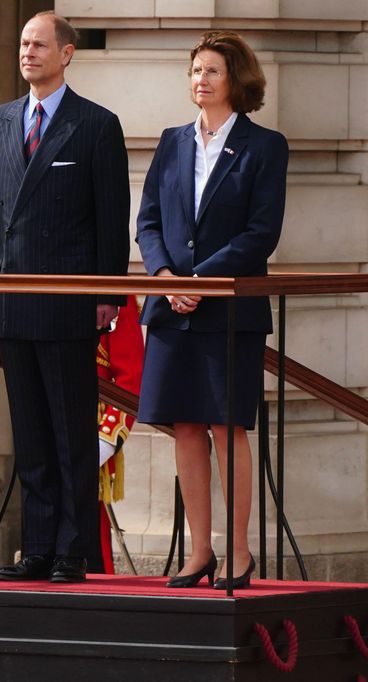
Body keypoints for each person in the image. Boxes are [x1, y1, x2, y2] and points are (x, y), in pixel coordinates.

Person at [135, 30, 287, 590]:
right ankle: (200, 552)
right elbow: (148, 220)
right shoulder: (172, 141)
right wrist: (166, 277)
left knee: (227, 426)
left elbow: (261, 232)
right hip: (172, 306)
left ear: (236, 80)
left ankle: (239, 552)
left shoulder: (264, 146)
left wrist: (201, 279)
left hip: (228, 308)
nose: (201, 80)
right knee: (185, 427)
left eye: (212, 72)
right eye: (195, 71)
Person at [0, 11, 130, 584]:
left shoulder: (96, 124)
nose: (28, 53)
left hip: (71, 299)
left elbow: (110, 216)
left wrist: (106, 295)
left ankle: (74, 548)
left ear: (66, 54)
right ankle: (38, 546)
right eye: (23, 44)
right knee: (31, 434)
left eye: (40, 44)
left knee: (71, 434)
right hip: (17, 298)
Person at [0, 291, 144, 574]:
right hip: (39, 421)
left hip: (88, 426)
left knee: (86, 535)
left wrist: (104, 441)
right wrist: (2, 263)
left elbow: (131, 381)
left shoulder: (112, 297)